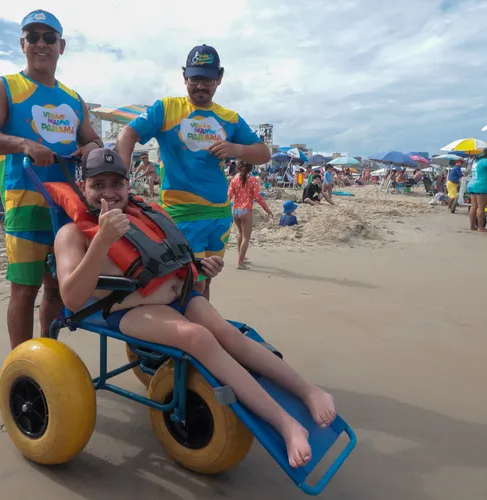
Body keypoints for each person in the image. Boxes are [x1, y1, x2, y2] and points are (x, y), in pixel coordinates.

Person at [52, 149, 336, 469]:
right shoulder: (72, 233)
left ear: (128, 185)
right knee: (198, 338)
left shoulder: (142, 214)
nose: (108, 192)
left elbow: (166, 259)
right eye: (97, 184)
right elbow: (72, 299)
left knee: (231, 336)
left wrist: (201, 268)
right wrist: (102, 240)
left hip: (180, 296)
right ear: (82, 186)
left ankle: (309, 392)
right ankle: (286, 424)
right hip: (127, 310)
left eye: (116, 183)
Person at [0, 9, 103, 349]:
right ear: (22, 44)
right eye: (34, 37)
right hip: (24, 203)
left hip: (67, 206)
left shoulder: (73, 98)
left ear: (62, 46)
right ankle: (22, 364)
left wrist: (90, 149)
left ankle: (47, 352)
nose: (41, 44)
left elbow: (93, 140)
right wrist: (24, 144)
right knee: (24, 291)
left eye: (49, 37)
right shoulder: (6, 86)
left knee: (57, 287)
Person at [115, 44, 271, 300]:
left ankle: (200, 332)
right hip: (180, 214)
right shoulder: (166, 109)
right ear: (184, 77)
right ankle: (179, 336)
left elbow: (263, 153)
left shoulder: (230, 118)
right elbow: (127, 134)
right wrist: (121, 180)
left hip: (219, 214)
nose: (201, 85)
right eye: (195, 78)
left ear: (219, 78)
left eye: (207, 79)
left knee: (204, 282)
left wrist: (236, 148)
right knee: (181, 284)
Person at [228, 160, 272, 269]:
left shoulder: (234, 180)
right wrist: (267, 209)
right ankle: (239, 263)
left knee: (240, 233)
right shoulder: (253, 180)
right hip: (246, 210)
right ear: (251, 169)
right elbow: (258, 197)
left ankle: (241, 256)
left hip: (235, 210)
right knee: (246, 237)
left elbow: (228, 195)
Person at [466, 147, 487, 232]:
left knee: (473, 206)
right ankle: (480, 227)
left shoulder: (476, 162)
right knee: (481, 207)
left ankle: (472, 226)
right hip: (482, 185)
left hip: (472, 184)